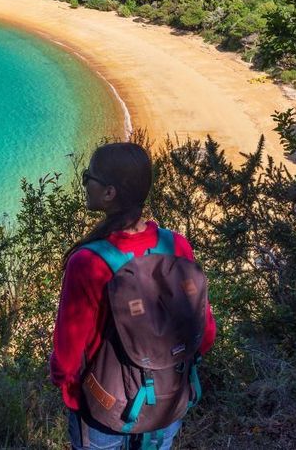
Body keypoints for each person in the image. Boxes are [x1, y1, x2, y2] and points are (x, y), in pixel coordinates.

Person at [50, 142, 217, 450]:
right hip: (168, 401)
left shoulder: (88, 262)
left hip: (105, 407)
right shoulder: (177, 245)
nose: (85, 182)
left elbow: (68, 355)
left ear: (109, 193)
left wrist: (68, 388)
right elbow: (205, 332)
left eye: (89, 176)